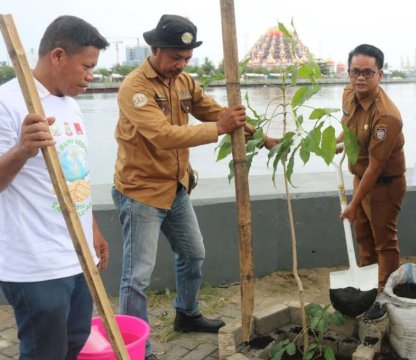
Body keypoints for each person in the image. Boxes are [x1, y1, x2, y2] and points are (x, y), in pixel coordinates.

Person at [112, 15, 275, 360]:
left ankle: (187, 313)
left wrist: (260, 135)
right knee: (136, 277)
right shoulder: (135, 88)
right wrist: (219, 127)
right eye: (175, 57)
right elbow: (163, 135)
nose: (181, 64)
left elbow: (215, 111)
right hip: (140, 192)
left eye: (186, 58)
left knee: (193, 254)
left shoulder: (184, 81)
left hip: (176, 187)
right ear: (154, 49)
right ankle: (136, 348)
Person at [0, 16, 110, 359]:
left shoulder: (71, 105)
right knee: (43, 351)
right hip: (34, 262)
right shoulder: (8, 102)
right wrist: (22, 150)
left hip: (75, 255)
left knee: (75, 339)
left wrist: (92, 230)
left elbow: (74, 177)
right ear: (58, 56)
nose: (91, 76)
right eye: (87, 66)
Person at [338, 44, 406, 322]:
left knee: (384, 242)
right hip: (360, 178)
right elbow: (349, 126)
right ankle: (368, 284)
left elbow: (376, 167)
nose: (360, 78)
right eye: (355, 72)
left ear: (380, 74)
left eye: (368, 72)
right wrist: (340, 142)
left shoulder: (386, 116)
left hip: (384, 185)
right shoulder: (348, 94)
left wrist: (353, 204)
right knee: (363, 237)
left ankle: (385, 295)